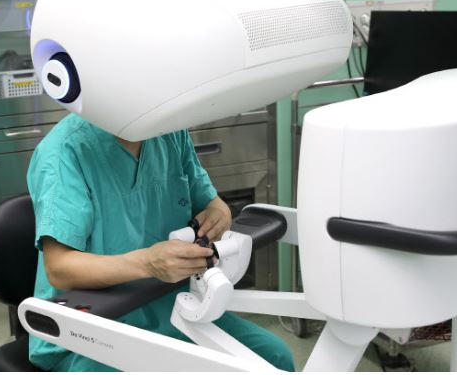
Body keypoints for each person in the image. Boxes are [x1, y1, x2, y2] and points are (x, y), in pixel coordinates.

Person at [27, 113, 295, 371]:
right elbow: (59, 268)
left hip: (174, 307)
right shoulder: (64, 151)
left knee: (273, 358)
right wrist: (148, 263)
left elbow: (210, 202)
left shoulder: (169, 131)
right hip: (89, 327)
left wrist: (219, 213)